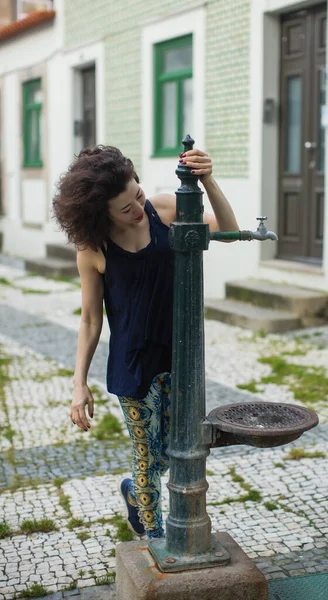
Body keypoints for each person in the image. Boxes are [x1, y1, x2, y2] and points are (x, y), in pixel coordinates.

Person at [52, 144, 239, 540]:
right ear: (100, 213)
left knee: (175, 450)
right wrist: (78, 384)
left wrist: (207, 179)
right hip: (132, 366)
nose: (137, 209)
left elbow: (228, 232)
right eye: (124, 208)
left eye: (136, 194)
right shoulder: (93, 249)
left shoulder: (165, 210)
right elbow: (89, 319)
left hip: (179, 356)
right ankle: (154, 540)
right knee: (146, 456)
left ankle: (134, 495)